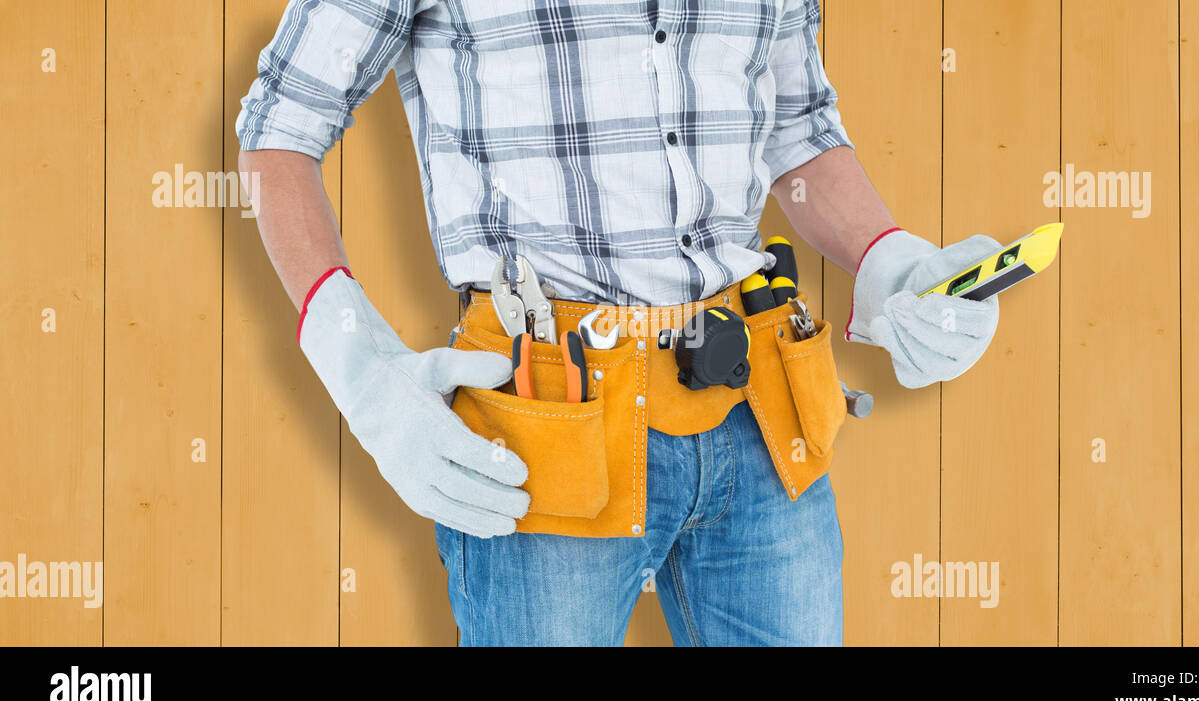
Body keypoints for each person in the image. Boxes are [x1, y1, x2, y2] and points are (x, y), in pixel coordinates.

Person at [236, 0, 1001, 646]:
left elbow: (795, 129)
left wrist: (887, 255)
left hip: (761, 413)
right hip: (548, 423)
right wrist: (357, 363)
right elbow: (281, 124)